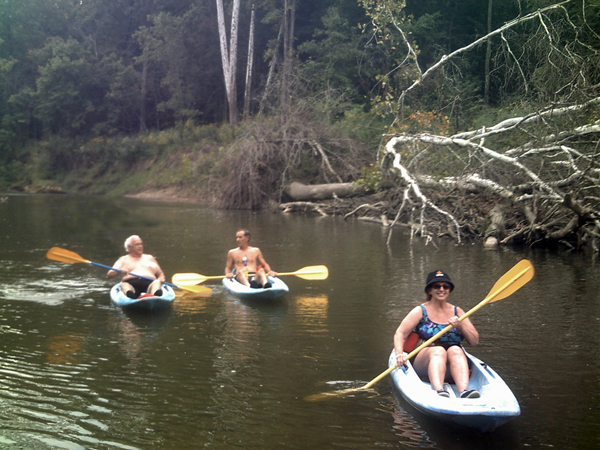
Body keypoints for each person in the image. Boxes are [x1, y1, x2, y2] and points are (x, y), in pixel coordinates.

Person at [393, 270, 480, 399]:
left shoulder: (457, 311)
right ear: (429, 290)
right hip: (425, 362)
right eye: (437, 286)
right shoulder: (420, 311)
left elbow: (474, 341)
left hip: (451, 364)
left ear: (449, 290)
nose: (441, 289)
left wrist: (460, 326)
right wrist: (399, 353)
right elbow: (400, 333)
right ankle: (439, 390)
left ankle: (464, 391)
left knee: (456, 349)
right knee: (438, 351)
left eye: (445, 286)